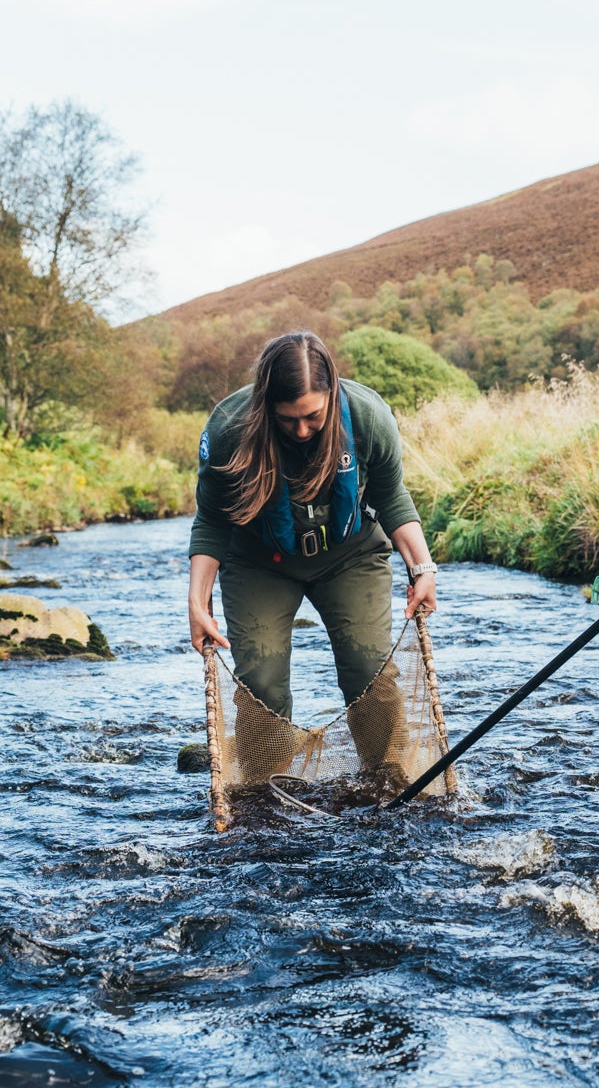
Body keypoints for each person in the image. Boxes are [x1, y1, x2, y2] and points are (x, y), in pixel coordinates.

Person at [187, 331, 441, 777]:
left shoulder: (367, 417)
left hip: (351, 554)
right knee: (261, 683)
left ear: (332, 392)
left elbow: (391, 496)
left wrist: (422, 567)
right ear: (265, 404)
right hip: (258, 561)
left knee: (371, 673)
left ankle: (388, 783)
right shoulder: (229, 428)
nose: (302, 430)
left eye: (313, 417)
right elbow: (211, 521)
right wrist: (197, 602)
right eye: (287, 420)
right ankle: (261, 794)